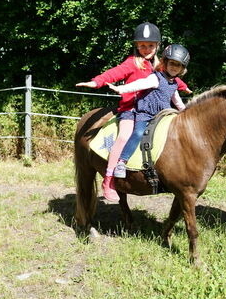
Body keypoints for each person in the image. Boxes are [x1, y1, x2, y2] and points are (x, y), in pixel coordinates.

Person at [77, 22, 184, 202]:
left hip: (156, 111)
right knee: (124, 136)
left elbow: (171, 81)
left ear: (157, 46)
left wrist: (184, 87)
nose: (146, 49)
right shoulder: (131, 63)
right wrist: (97, 82)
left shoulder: (160, 65)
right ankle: (109, 178)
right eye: (142, 45)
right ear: (136, 46)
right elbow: (114, 73)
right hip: (131, 110)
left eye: (150, 45)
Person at [107, 44, 190, 178]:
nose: (174, 67)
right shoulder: (156, 78)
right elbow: (139, 84)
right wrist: (121, 89)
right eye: (172, 63)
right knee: (139, 132)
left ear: (182, 69)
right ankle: (122, 161)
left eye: (178, 65)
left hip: (161, 117)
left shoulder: (174, 84)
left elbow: (178, 102)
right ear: (165, 62)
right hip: (146, 114)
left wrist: (186, 113)